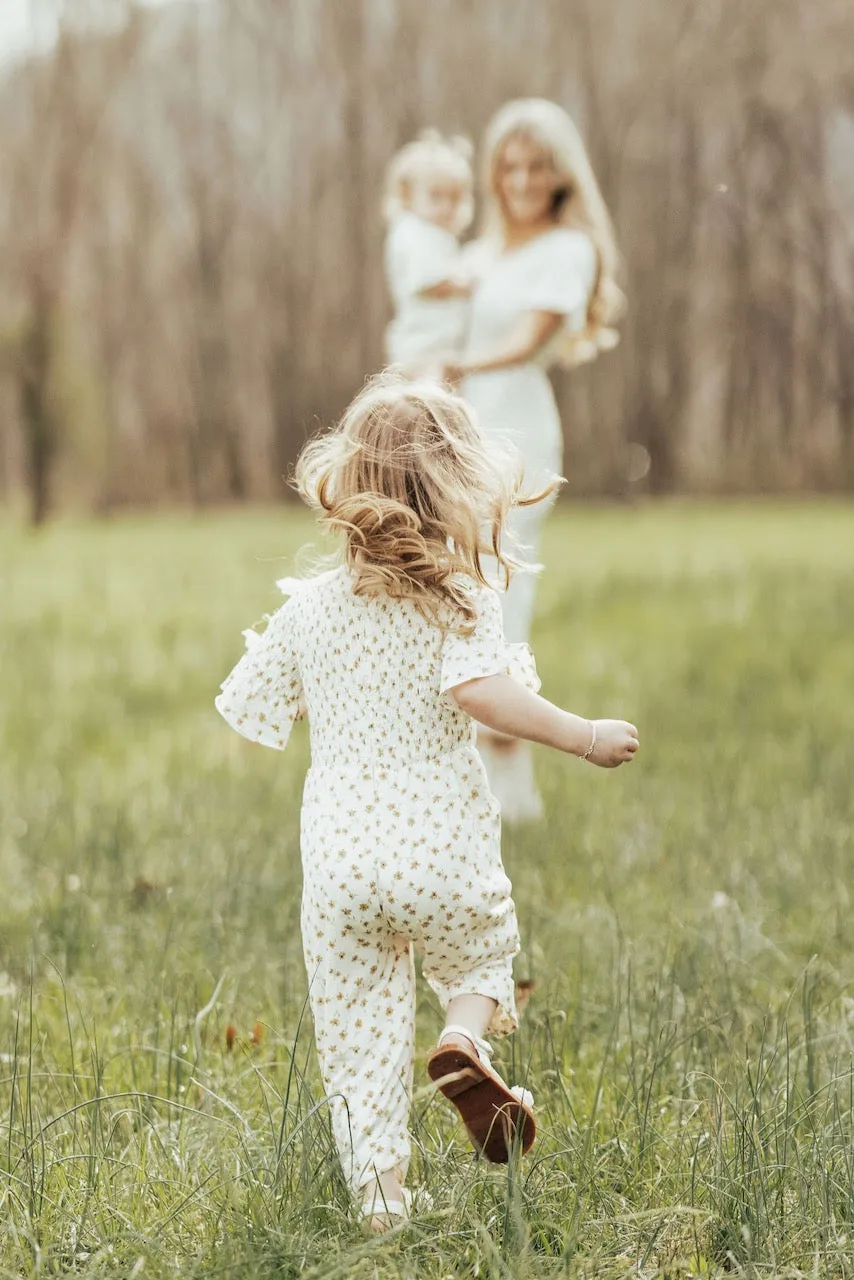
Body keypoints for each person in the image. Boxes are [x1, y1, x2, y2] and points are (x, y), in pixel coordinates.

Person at [215, 374, 639, 1231]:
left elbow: (248, 709)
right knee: (482, 956)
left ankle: (381, 1204)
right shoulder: (460, 600)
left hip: (338, 866)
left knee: (357, 1035)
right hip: (438, 850)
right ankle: (466, 1042)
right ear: (453, 486)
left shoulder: (309, 611)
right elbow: (484, 695)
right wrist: (584, 734)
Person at [444, 98, 624, 824]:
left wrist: (459, 363)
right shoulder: (480, 253)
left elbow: (528, 338)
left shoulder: (568, 249)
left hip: (513, 434)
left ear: (560, 175)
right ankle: (459, 786)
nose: (520, 180)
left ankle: (514, 795)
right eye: (508, 165)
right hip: (452, 437)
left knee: (498, 597)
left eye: (535, 167)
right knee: (453, 597)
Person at [383, 131, 475, 368]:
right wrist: (468, 285)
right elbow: (428, 283)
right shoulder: (412, 233)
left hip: (439, 347)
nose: (446, 206)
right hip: (423, 350)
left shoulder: (436, 235)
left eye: (454, 198)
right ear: (408, 195)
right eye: (436, 197)